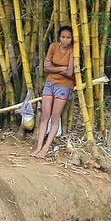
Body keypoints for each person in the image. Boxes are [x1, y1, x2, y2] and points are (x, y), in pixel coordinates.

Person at [33, 27, 76, 159]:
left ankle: (45, 149)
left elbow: (70, 73)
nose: (65, 40)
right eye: (63, 37)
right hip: (50, 83)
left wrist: (54, 69)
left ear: (71, 39)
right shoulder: (53, 47)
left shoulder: (73, 50)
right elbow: (46, 67)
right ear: (59, 37)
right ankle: (38, 147)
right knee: (45, 116)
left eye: (68, 37)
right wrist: (63, 68)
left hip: (64, 85)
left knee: (55, 117)